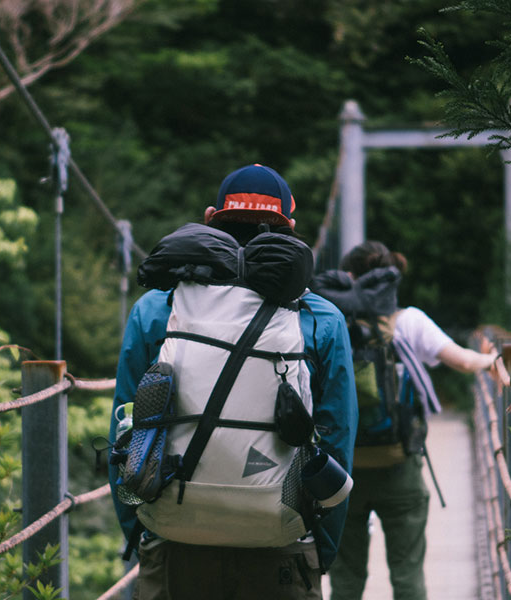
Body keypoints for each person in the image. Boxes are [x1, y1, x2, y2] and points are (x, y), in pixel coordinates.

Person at [108, 164, 359, 600]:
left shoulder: (157, 308)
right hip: (279, 543)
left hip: (174, 543)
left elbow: (126, 432)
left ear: (210, 218)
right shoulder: (320, 318)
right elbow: (337, 443)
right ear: (291, 229)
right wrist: (319, 549)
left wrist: (144, 534)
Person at [311, 239, 497, 600]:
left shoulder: (326, 320)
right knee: (408, 573)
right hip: (400, 466)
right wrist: (493, 361)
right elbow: (463, 361)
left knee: (346, 579)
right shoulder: (408, 321)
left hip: (342, 470)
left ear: (348, 276)